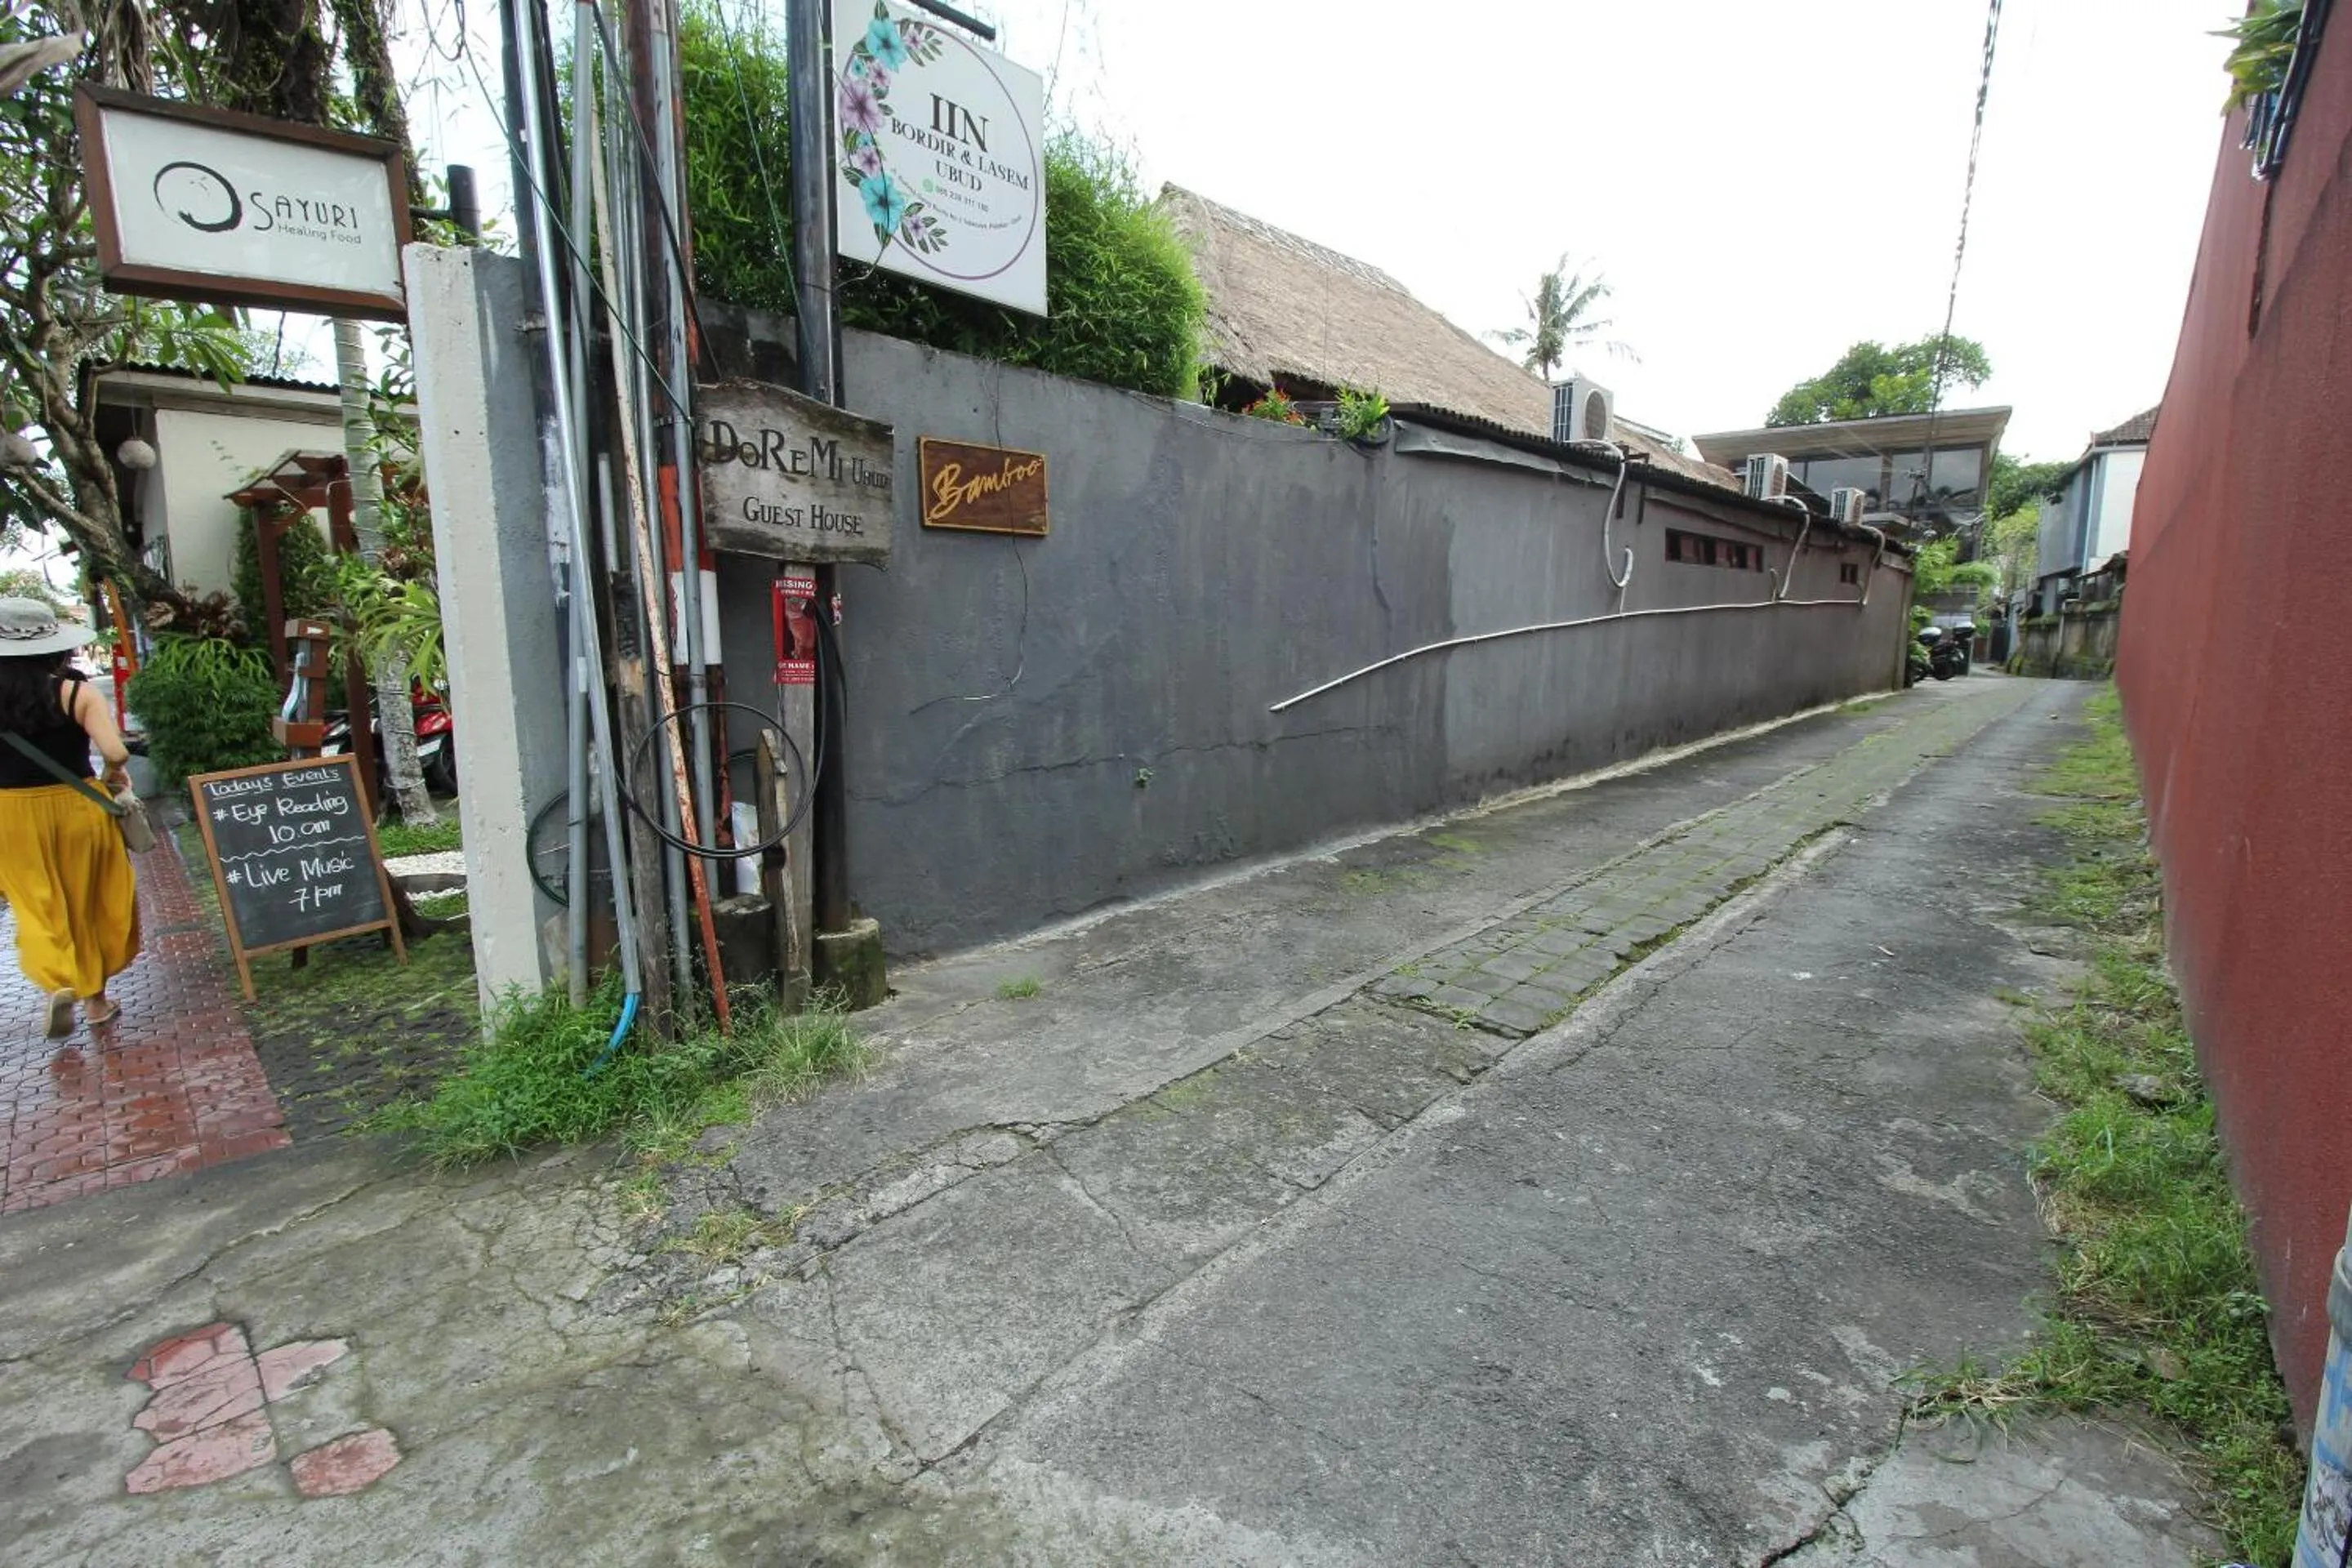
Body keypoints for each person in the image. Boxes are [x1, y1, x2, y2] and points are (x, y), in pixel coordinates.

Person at [0, 597, 139, 1036]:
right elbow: (115, 751)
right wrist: (115, 775)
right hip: (78, 807)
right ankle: (96, 1003)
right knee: (90, 901)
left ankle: (56, 980)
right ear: (57, 646)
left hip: (12, 814)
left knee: (35, 904)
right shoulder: (78, 691)